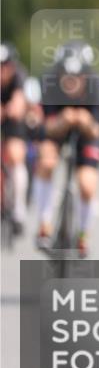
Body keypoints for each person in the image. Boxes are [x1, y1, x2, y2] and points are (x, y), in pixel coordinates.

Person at [34, 41, 99, 257]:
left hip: (85, 134)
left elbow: (97, 130)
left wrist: (85, 122)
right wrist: (62, 122)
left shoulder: (97, 87)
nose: (71, 81)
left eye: (77, 77)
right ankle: (44, 225)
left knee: (87, 184)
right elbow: (45, 125)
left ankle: (83, 235)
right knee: (46, 161)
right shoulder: (49, 84)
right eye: (66, 76)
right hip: (56, 130)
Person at [1, 42, 29, 235]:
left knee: (15, 154)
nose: (2, 70)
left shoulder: (19, 76)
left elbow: (19, 104)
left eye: (6, 66)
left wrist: (10, 108)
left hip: (13, 120)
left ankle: (18, 208)